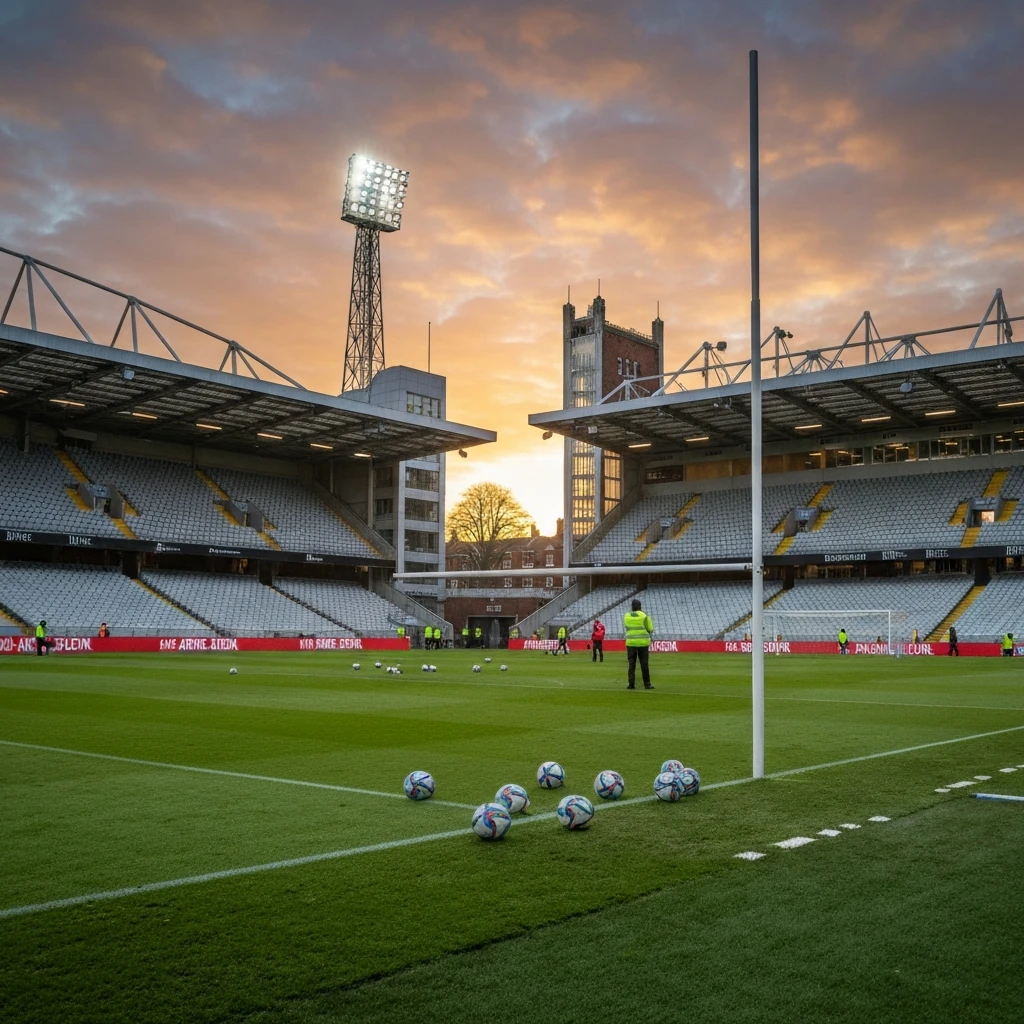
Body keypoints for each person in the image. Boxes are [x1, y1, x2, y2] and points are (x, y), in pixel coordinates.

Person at [624, 599, 654, 689]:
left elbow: (626, 627)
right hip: (643, 643)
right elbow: (650, 629)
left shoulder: (627, 616)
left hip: (631, 643)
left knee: (631, 664)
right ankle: (647, 684)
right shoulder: (644, 616)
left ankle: (631, 684)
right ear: (640, 606)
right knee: (644, 664)